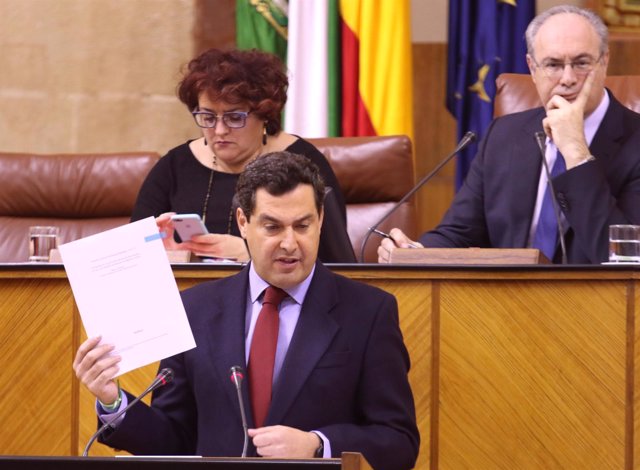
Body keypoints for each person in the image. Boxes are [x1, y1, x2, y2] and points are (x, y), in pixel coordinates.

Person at [74, 152, 419, 470]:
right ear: (243, 222)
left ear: (321, 219)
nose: (289, 243)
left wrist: (318, 445)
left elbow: (399, 442)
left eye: (303, 225)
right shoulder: (196, 310)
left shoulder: (369, 312)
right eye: (272, 227)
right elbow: (174, 438)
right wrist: (113, 401)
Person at [379, 5, 640, 264]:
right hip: (505, 302)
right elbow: (460, 233)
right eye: (553, 64)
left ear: (604, 61)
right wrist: (416, 252)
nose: (568, 78)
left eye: (581, 63)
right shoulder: (503, 136)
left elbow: (626, 259)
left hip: (600, 302)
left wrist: (576, 152)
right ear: (532, 67)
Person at [131, 48, 348, 263]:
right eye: (207, 117)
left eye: (234, 117)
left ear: (264, 114)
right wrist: (166, 251)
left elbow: (331, 258)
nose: (219, 130)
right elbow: (132, 250)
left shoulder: (304, 162)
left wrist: (250, 253)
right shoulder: (175, 165)